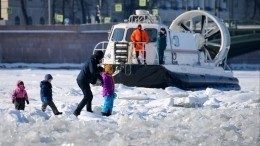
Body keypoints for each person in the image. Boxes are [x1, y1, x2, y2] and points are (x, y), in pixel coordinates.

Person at [73, 51, 104, 117]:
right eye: (101, 58)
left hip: (84, 80)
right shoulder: (92, 61)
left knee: (90, 96)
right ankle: (77, 111)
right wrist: (99, 69)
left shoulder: (93, 61)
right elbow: (93, 72)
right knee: (87, 96)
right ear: (98, 57)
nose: (101, 59)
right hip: (82, 80)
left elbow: (95, 72)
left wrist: (101, 79)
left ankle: (89, 111)